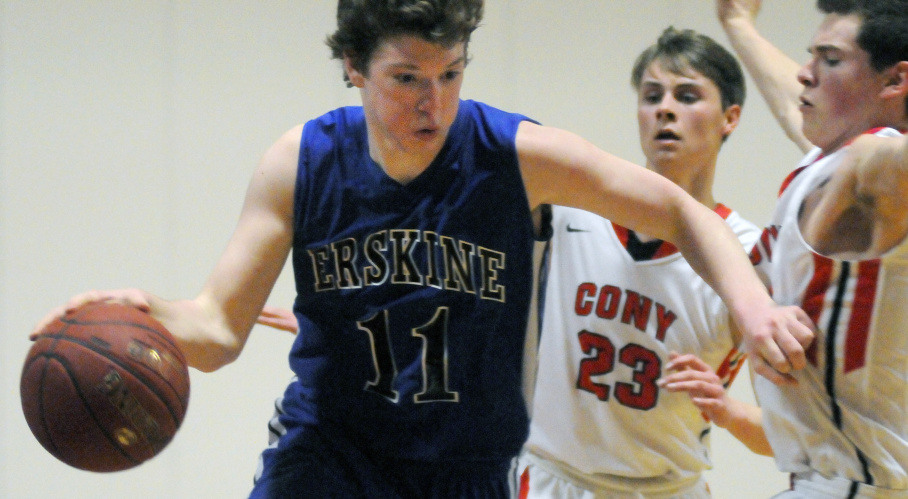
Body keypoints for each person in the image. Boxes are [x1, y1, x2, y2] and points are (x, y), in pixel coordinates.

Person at [30, 1, 816, 497]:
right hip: (332, 451)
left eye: (450, 74)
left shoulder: (513, 152)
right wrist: (145, 313)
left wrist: (750, 306)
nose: (432, 101)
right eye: (406, 77)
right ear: (352, 66)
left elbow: (679, 208)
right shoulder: (301, 161)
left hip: (466, 465)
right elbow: (218, 329)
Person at [664, 0, 908, 497]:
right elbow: (787, 96)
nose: (804, 74)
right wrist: (739, 23)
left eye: (831, 60)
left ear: (893, 82)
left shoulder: (874, 165)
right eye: (811, 55)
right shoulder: (828, 162)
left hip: (852, 486)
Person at [513, 27, 771, 499]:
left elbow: (791, 436)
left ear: (730, 117)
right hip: (558, 479)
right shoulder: (571, 210)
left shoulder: (749, 254)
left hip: (669, 488)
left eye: (687, 95)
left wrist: (728, 410)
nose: (665, 108)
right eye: (652, 96)